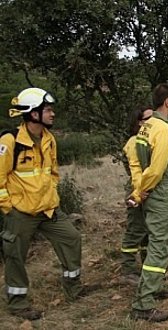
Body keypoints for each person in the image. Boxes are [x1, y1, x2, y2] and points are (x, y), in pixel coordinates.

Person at [1, 87, 94, 320]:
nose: (53, 114)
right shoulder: (10, 141)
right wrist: (8, 206)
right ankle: (18, 303)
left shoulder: (49, 139)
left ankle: (73, 288)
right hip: (20, 212)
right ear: (33, 114)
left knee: (71, 238)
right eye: (48, 110)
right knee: (15, 256)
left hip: (49, 209)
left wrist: (52, 193)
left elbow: (52, 172)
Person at [128, 83, 168, 322]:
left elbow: (138, 163)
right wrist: (144, 189)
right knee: (159, 247)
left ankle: (154, 288)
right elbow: (157, 169)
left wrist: (139, 189)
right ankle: (143, 304)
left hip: (149, 193)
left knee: (151, 243)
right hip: (158, 195)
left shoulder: (145, 127)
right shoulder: (164, 130)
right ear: (167, 102)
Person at [119, 106, 153, 285]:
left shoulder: (147, 138)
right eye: (148, 118)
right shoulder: (134, 142)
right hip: (137, 190)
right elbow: (135, 171)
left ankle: (148, 268)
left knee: (147, 232)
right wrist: (138, 193)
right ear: (139, 122)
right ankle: (128, 269)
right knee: (135, 230)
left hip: (145, 190)